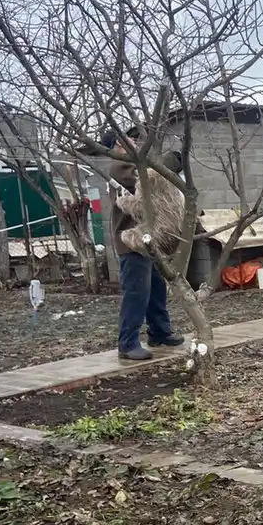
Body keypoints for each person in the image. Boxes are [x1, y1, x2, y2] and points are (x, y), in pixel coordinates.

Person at [101, 130, 184, 361]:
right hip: (131, 241)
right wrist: (169, 163)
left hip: (148, 238)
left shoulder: (130, 163)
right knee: (136, 292)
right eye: (128, 139)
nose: (133, 141)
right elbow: (147, 180)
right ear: (118, 144)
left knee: (156, 288)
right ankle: (127, 343)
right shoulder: (119, 167)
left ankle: (159, 332)